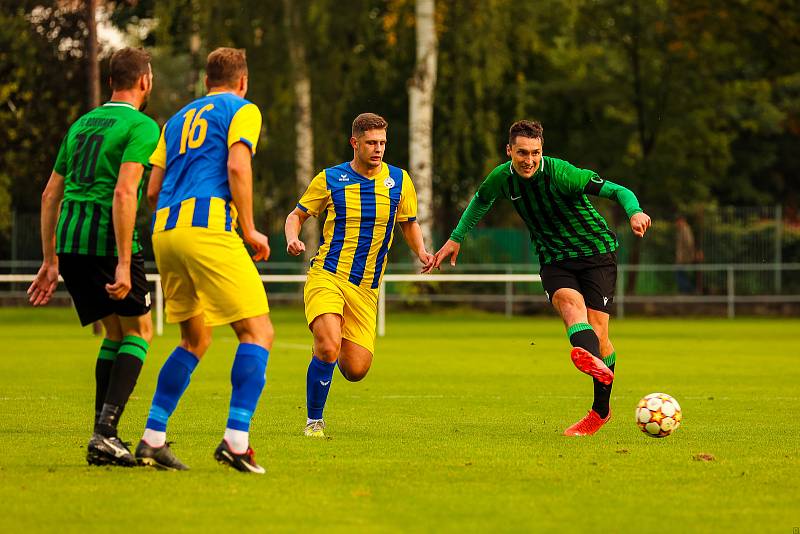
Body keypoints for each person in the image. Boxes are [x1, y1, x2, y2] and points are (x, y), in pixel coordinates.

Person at [431, 120, 651, 436]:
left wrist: (635, 212)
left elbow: (618, 190)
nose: (529, 160)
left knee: (599, 333)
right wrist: (456, 237)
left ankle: (600, 410)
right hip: (554, 259)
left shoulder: (562, 173)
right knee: (570, 307)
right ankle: (588, 357)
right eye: (522, 153)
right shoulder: (502, 178)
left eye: (535, 153)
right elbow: (481, 200)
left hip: (596, 253)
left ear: (541, 150)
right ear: (509, 151)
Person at [136, 48, 273, 473]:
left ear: (205, 80)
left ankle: (152, 438)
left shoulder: (175, 120)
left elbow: (153, 187)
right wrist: (248, 228)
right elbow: (237, 165)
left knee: (195, 339)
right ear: (243, 81)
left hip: (166, 232)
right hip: (208, 227)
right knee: (258, 332)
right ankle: (236, 441)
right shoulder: (242, 109)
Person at [27, 47, 159, 465]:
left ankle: (104, 437)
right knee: (140, 333)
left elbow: (51, 193)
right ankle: (106, 433)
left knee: (114, 334)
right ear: (145, 82)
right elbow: (124, 192)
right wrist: (124, 260)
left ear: (109, 82)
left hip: (70, 242)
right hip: (106, 240)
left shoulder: (82, 125)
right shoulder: (141, 126)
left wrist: (50, 261)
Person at [285, 113, 434, 437]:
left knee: (355, 369)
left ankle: (327, 348)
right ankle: (314, 421)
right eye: (371, 143)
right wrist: (292, 238)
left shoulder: (400, 180)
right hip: (328, 274)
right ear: (355, 143)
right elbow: (296, 216)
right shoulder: (330, 179)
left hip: (366, 289)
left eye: (382, 143)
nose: (378, 149)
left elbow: (408, 222)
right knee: (328, 346)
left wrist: (420, 252)